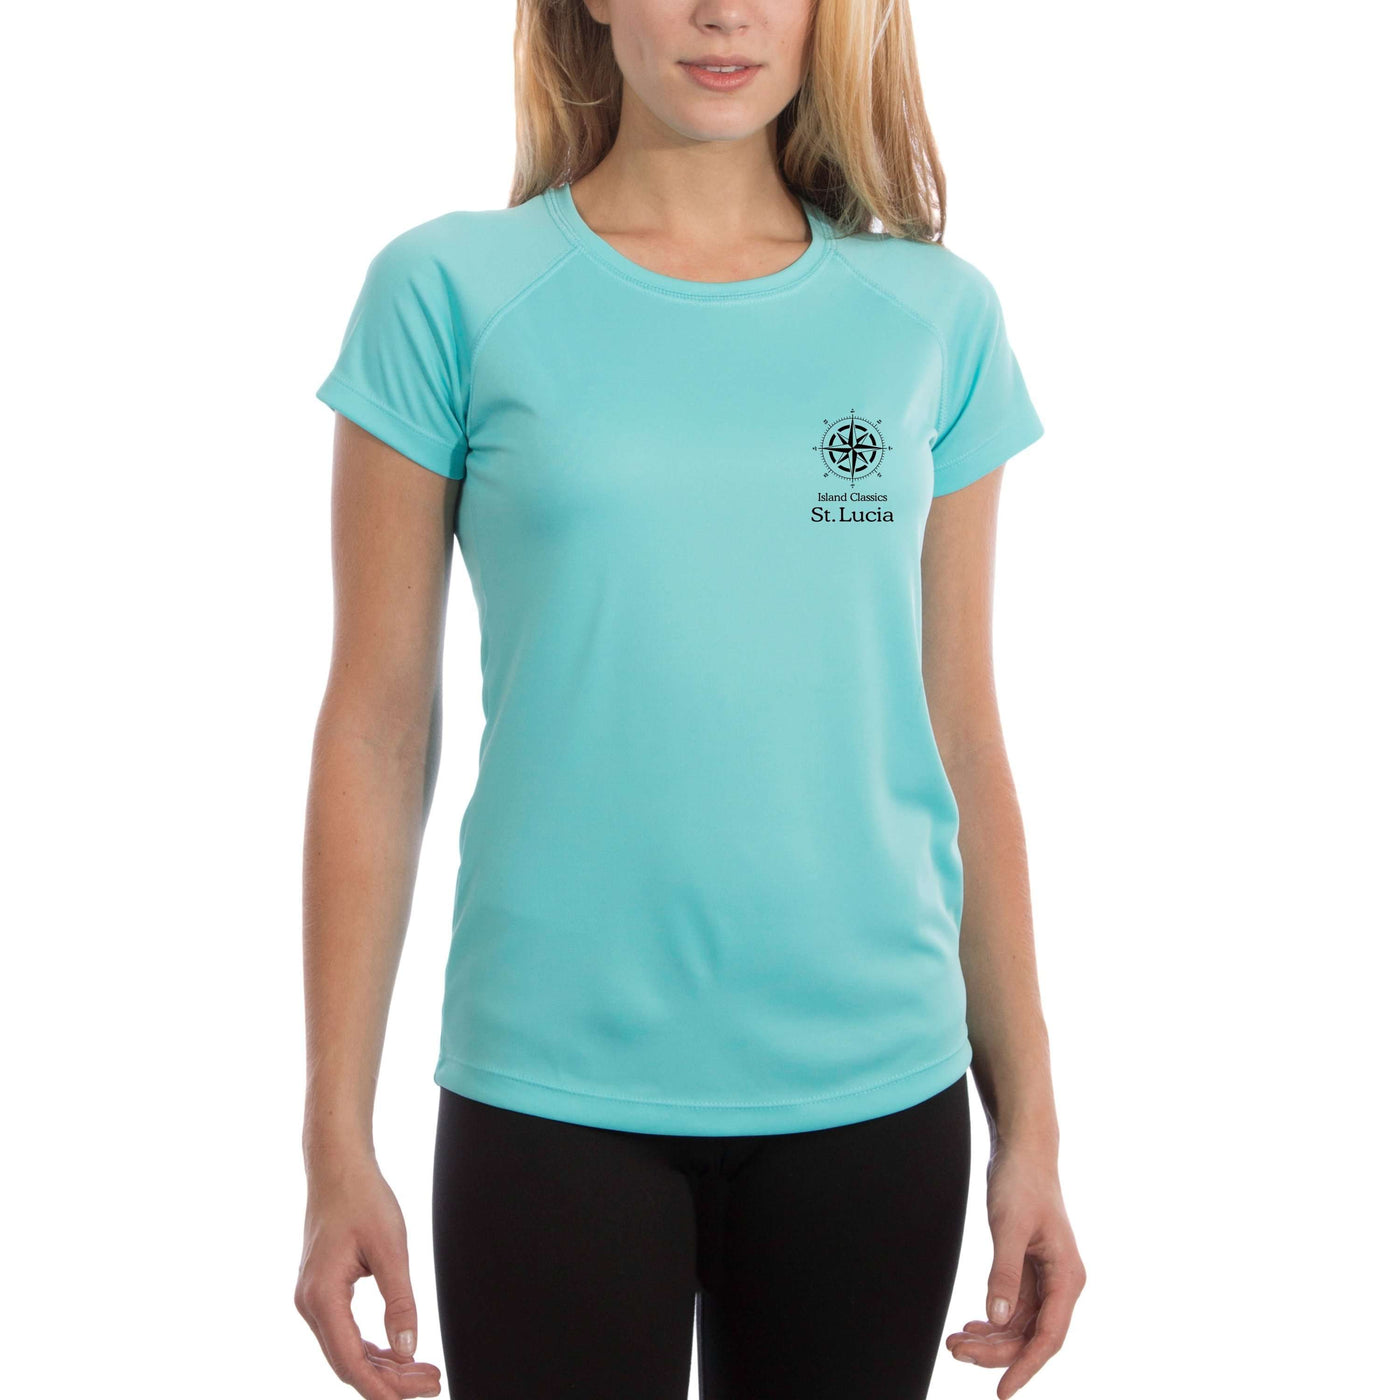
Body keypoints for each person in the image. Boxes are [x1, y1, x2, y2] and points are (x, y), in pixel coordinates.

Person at [294, 2, 1086, 1397]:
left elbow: (961, 733)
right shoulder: (450, 293)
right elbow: (377, 726)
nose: (724, 11)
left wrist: (1032, 1129)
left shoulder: (933, 317)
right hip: (548, 1087)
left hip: (875, 1091)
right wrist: (333, 1141)